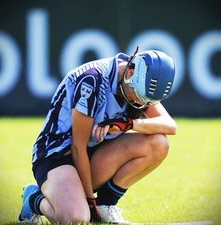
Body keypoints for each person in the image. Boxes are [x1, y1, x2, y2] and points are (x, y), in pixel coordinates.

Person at [18, 46, 177, 224]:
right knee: (77, 219)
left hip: (94, 152)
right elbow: (78, 146)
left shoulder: (139, 83)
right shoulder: (91, 80)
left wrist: (130, 124)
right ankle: (34, 199)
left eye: (146, 100)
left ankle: (105, 205)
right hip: (58, 155)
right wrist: (88, 200)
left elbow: (170, 126)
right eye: (139, 96)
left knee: (158, 143)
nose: (140, 103)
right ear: (130, 73)